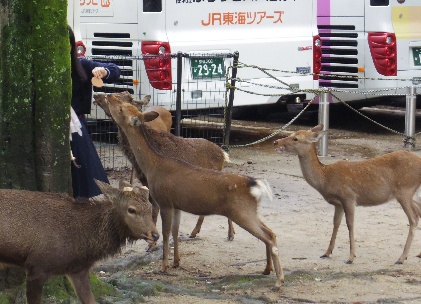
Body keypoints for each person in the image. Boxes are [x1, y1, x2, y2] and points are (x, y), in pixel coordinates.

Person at [68, 26, 121, 198]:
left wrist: (104, 71)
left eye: (67, 43)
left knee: (83, 178)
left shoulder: (82, 64)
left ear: (71, 45)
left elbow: (115, 70)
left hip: (76, 127)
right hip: (52, 127)